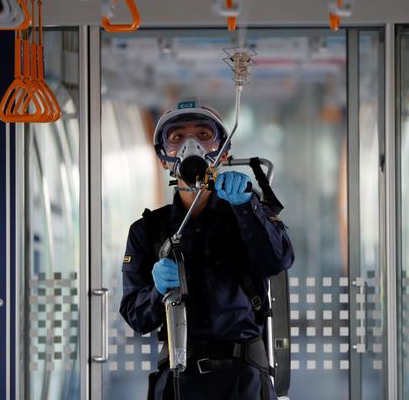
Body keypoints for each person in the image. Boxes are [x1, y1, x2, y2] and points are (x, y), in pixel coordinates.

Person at [120, 98, 295, 400]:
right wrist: (157, 291)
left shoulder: (246, 212)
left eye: (203, 135)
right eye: (177, 138)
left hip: (244, 378)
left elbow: (277, 261)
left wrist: (247, 207)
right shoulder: (147, 230)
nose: (191, 146)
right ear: (164, 158)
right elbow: (136, 317)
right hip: (177, 379)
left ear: (223, 152)